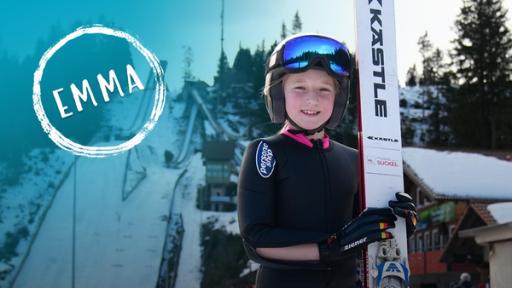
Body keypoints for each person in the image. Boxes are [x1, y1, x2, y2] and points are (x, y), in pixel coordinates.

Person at [237, 34, 417, 288]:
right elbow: (257, 239)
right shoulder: (265, 152)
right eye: (299, 87)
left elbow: (363, 233)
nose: (312, 99)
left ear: (338, 98)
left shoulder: (354, 159)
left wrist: (395, 227)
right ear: (279, 94)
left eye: (324, 89)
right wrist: (332, 245)